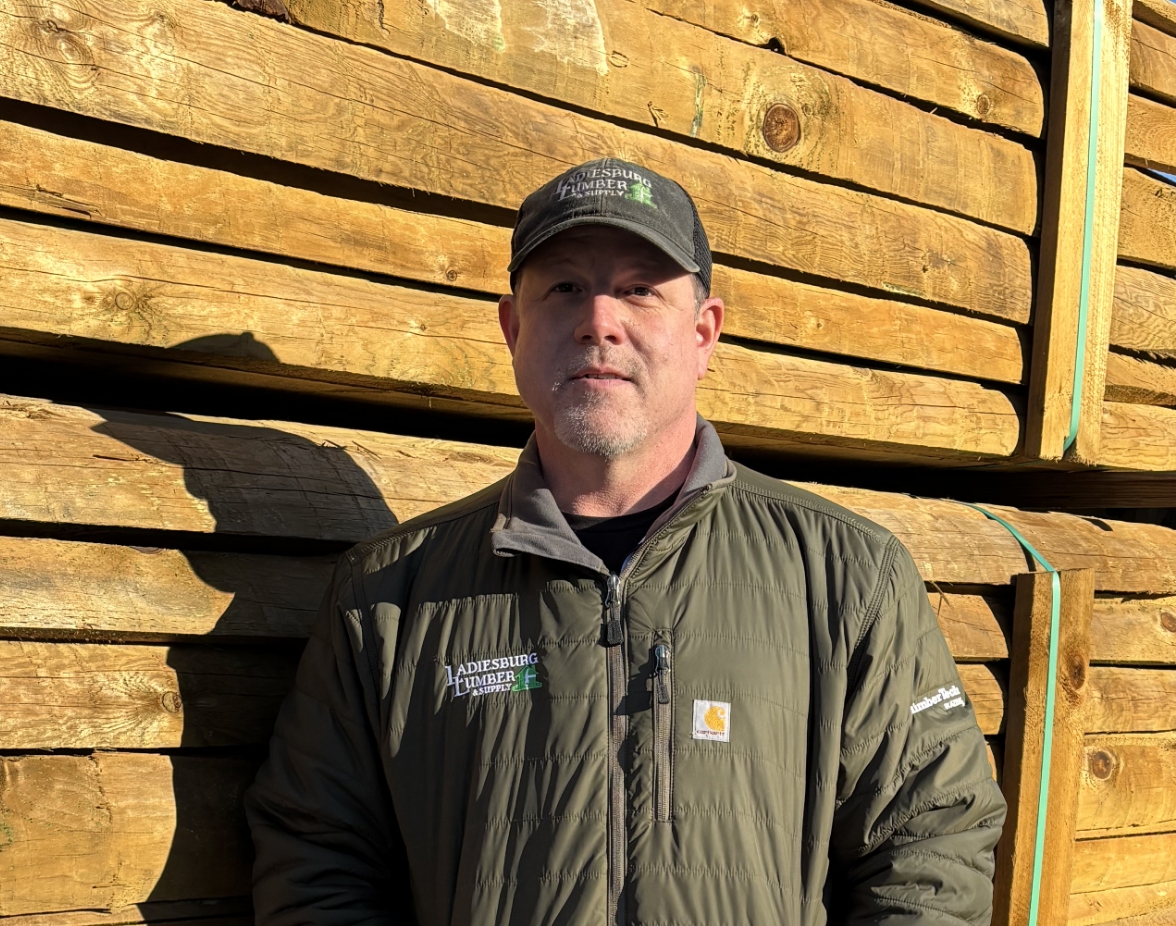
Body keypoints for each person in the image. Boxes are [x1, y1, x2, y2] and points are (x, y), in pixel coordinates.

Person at [246, 157, 1006, 925]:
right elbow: (315, 857)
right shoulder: (388, 596)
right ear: (514, 329)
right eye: (565, 287)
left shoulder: (848, 575)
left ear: (704, 332)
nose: (599, 320)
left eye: (641, 288)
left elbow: (930, 844)